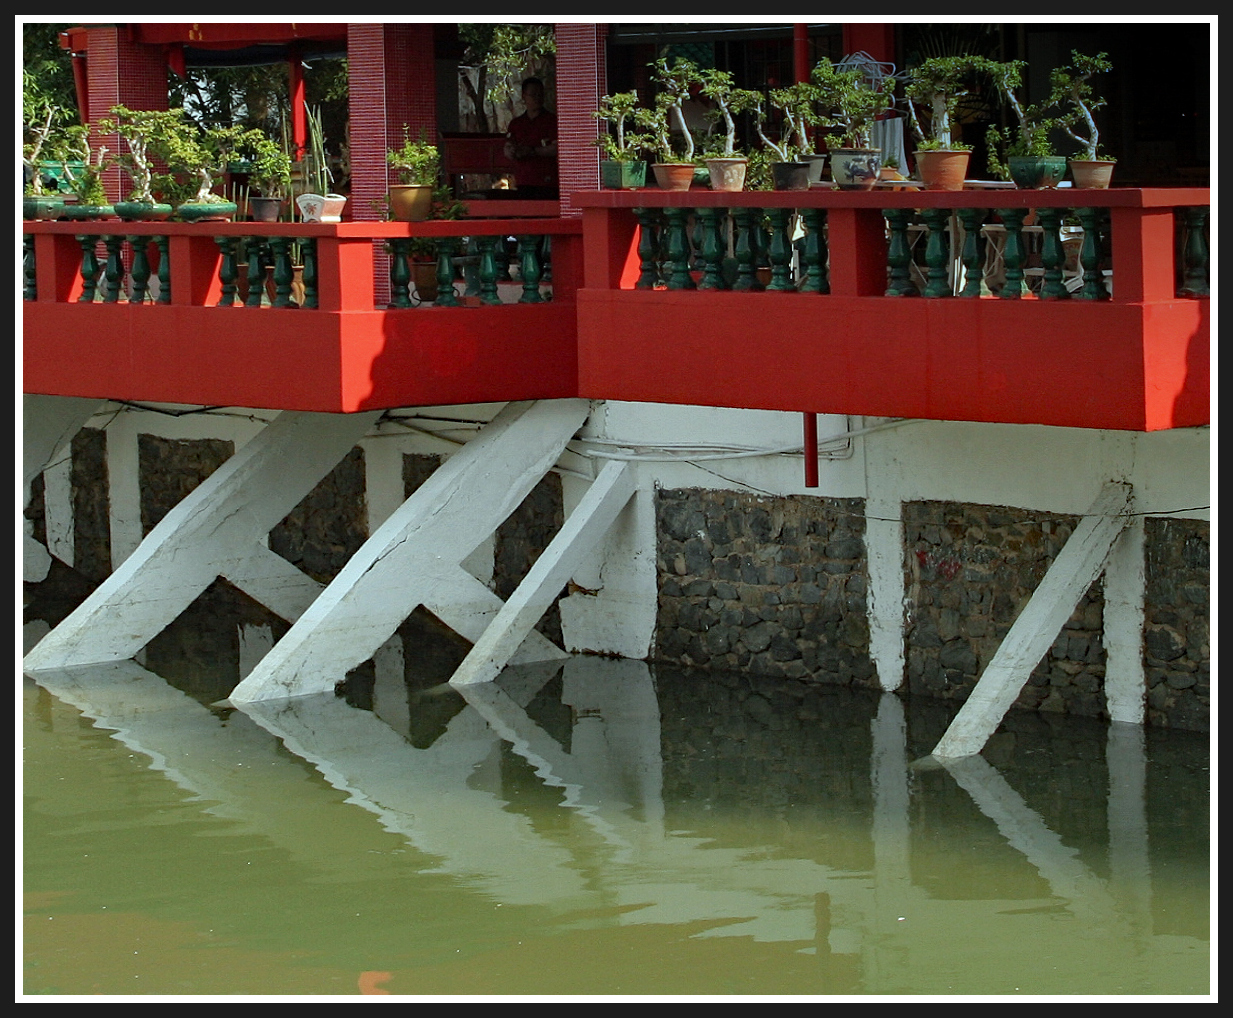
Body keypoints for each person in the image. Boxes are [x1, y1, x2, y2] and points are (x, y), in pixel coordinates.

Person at [503, 77, 558, 198]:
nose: (537, 98)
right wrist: (512, 151)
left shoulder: (551, 121)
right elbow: (507, 147)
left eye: (540, 94)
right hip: (523, 180)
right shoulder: (516, 123)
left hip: (547, 182)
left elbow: (557, 148)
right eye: (533, 95)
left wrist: (533, 151)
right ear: (524, 96)